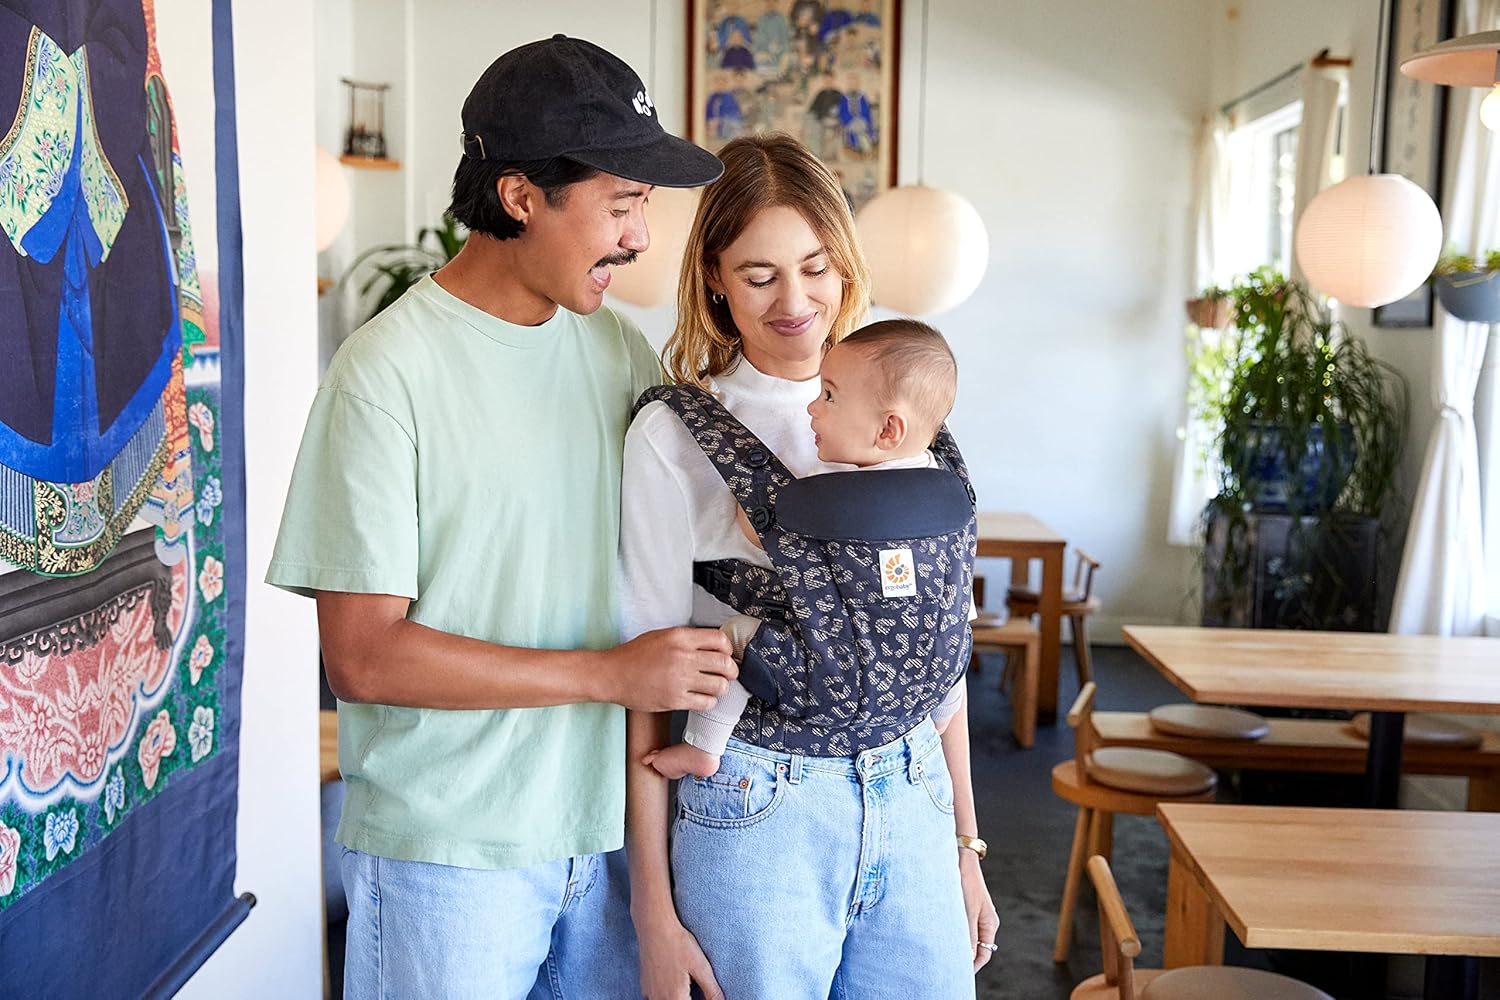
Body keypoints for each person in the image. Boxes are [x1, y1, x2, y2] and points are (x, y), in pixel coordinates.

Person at [266, 35, 734, 998]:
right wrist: (608, 674)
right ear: (521, 196)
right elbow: (363, 657)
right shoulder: (383, 376)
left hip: (607, 839)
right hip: (449, 861)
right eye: (622, 204)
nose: (640, 237)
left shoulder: (620, 355)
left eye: (644, 206)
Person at [621, 133, 999, 1000]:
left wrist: (965, 846)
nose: (795, 301)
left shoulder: (908, 418)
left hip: (915, 791)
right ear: (714, 277)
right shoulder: (674, 437)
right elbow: (647, 681)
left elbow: (937, 652)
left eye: (816, 267)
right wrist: (652, 912)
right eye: (759, 276)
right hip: (759, 804)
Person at [643, 319, 970, 781]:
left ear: (888, 429)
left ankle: (703, 746)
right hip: (925, 680)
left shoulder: (823, 493)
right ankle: (935, 720)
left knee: (733, 641)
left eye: (829, 396)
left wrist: (750, 490)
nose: (813, 408)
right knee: (949, 642)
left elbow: (757, 527)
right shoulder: (948, 486)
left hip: (828, 681)